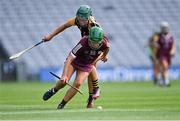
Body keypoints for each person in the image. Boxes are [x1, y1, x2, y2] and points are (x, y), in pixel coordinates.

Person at [42, 5, 102, 108]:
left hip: (92, 51)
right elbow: (64, 26)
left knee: (91, 70)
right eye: (79, 18)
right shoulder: (77, 20)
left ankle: (91, 99)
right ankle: (54, 90)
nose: (81, 21)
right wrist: (50, 36)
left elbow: (103, 45)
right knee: (64, 81)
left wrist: (103, 56)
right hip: (81, 49)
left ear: (88, 18)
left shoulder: (94, 28)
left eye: (83, 19)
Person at [148, 22, 176, 86]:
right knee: (163, 66)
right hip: (160, 54)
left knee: (165, 68)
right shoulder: (158, 36)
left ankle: (162, 80)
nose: (165, 29)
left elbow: (173, 45)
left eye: (166, 28)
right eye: (164, 28)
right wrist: (154, 44)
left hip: (168, 54)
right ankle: (165, 81)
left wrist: (173, 51)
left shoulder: (170, 37)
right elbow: (152, 42)